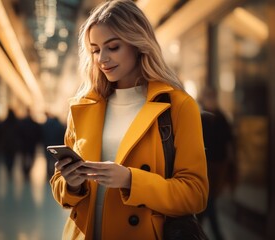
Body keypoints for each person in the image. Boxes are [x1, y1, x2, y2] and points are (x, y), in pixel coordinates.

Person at [49, 1, 209, 239]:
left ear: (137, 44)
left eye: (113, 47)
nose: (102, 58)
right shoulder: (83, 107)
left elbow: (195, 194)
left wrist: (130, 180)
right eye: (95, 50)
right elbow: (59, 185)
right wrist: (71, 184)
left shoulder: (178, 106)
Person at [198, 87, 234, 240]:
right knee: (208, 200)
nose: (210, 101)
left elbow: (228, 140)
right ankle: (213, 234)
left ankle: (200, 231)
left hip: (218, 165)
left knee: (209, 199)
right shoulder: (202, 117)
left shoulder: (220, 117)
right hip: (205, 164)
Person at [41, 112, 66, 178]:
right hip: (56, 145)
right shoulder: (59, 125)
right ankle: (53, 173)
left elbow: (42, 134)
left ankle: (48, 174)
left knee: (48, 160)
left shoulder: (46, 124)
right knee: (54, 160)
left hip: (47, 145)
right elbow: (62, 136)